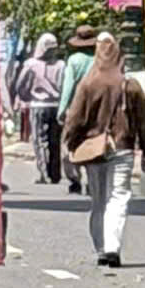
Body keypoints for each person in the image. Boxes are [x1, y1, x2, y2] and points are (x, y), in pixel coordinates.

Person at [61, 33, 145, 268]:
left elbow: (74, 118)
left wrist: (68, 144)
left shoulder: (88, 84)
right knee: (119, 197)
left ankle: (101, 248)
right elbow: (144, 121)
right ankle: (113, 247)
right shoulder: (129, 85)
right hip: (122, 148)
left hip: (93, 150)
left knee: (99, 201)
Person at [13, 33, 65, 185]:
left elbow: (20, 85)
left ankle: (43, 173)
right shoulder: (61, 65)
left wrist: (26, 97)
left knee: (39, 140)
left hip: (38, 105)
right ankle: (55, 173)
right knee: (55, 141)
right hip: (55, 105)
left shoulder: (31, 65)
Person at [56, 26, 100, 194]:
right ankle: (92, 179)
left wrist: (62, 110)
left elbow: (67, 87)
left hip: (76, 108)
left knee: (69, 144)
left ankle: (75, 179)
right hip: (96, 108)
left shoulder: (74, 60)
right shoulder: (99, 59)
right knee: (92, 142)